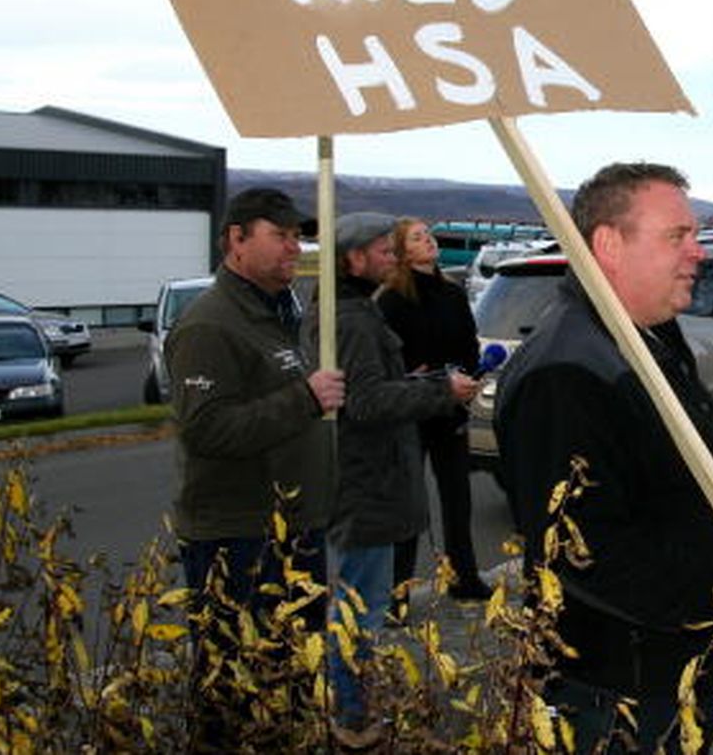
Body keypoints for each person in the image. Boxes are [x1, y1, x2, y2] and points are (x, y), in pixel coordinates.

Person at [494, 163, 713, 752]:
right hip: (618, 694)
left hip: (666, 668)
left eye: (695, 235)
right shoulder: (568, 371)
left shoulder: (640, 335)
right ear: (608, 244)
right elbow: (589, 554)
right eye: (677, 236)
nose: (699, 253)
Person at [166, 188, 345, 745]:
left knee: (291, 677)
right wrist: (305, 400)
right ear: (235, 240)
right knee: (234, 688)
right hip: (239, 538)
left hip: (293, 531)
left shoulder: (277, 313)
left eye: (298, 235)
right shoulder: (209, 326)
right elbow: (208, 430)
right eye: (280, 234)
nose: (295, 247)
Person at [302, 212, 478, 730]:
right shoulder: (354, 317)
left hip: (361, 477)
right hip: (367, 480)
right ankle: (354, 714)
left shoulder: (348, 309)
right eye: (382, 249)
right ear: (353, 258)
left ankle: (354, 701)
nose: (390, 257)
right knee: (361, 605)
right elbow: (367, 401)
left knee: (358, 600)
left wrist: (413, 382)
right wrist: (438, 391)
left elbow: (364, 387)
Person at [376, 216, 492, 605]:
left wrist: (470, 377)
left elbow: (469, 342)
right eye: (417, 237)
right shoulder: (391, 300)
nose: (428, 241)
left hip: (451, 409)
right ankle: (397, 594)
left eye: (428, 235)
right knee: (409, 505)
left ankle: (466, 578)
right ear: (403, 250)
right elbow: (390, 363)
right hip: (411, 412)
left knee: (458, 499)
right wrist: (423, 380)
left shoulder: (453, 292)